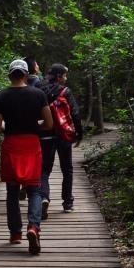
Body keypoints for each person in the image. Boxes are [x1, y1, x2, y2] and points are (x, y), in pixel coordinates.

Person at [0, 58, 53, 255]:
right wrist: (33, 126)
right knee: (35, 189)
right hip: (31, 144)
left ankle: (15, 233)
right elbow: (49, 124)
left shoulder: (0, 97)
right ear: (26, 74)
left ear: (10, 74)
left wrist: (7, 127)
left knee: (12, 191)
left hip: (11, 144)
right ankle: (33, 227)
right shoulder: (38, 94)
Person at [40, 62, 83, 217]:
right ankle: (67, 202)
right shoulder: (65, 91)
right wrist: (78, 133)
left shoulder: (40, 89)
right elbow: (75, 114)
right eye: (65, 75)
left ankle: (43, 197)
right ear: (59, 76)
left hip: (45, 134)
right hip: (63, 135)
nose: (66, 77)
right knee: (67, 169)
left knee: (44, 169)